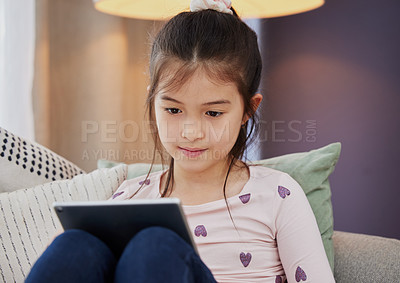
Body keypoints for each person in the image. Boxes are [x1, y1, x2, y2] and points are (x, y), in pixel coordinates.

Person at [26, 0, 335, 282]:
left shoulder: (278, 194)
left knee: (154, 245)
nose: (190, 132)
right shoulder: (127, 200)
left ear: (247, 110)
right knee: (75, 243)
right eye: (173, 109)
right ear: (153, 101)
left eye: (213, 113)